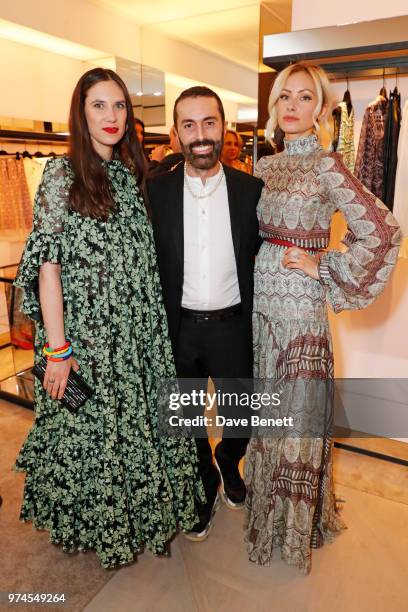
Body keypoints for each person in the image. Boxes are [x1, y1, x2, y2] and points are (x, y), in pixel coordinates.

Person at [13, 67, 203, 569]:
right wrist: (57, 350)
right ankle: (93, 524)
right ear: (81, 112)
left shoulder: (128, 175)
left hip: (137, 333)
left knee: (134, 432)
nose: (112, 116)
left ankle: (137, 517)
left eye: (119, 106)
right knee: (90, 436)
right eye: (99, 105)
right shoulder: (59, 175)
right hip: (88, 337)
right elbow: (47, 267)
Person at [244, 62, 402, 573]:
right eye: (284, 96)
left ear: (321, 109)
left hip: (300, 308)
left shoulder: (329, 166)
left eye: (304, 98)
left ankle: (294, 529)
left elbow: (383, 230)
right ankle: (266, 512)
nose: (291, 105)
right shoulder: (264, 166)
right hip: (262, 306)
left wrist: (324, 265)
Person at [148, 86, 263, 541]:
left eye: (209, 123)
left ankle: (229, 460)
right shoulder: (153, 192)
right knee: (186, 421)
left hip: (234, 325)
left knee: (242, 417)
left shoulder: (251, 190)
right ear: (176, 134)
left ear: (223, 128)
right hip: (178, 330)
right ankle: (204, 481)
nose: (200, 135)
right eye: (189, 125)